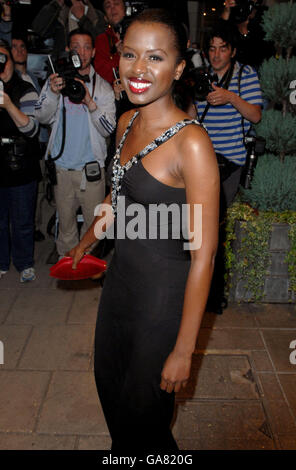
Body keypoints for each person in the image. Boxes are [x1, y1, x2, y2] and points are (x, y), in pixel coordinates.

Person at [68, 8, 220, 451]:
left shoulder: (191, 143)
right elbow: (118, 197)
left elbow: (204, 255)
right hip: (120, 286)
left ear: (178, 67)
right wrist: (87, 239)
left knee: (145, 417)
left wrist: (184, 350)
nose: (138, 69)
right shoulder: (125, 121)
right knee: (109, 389)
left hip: (163, 299)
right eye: (130, 54)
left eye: (155, 58)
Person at [195, 24, 262, 314]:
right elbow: (190, 117)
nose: (216, 54)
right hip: (201, 162)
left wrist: (230, 97)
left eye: (223, 48)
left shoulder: (245, 75)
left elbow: (256, 115)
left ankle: (213, 293)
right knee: (197, 225)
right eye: (211, 48)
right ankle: (195, 285)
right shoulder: (200, 76)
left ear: (232, 51)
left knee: (215, 227)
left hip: (231, 163)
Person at [35, 28, 116, 259]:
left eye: (86, 47)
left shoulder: (103, 88)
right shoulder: (56, 82)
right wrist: (51, 93)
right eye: (76, 46)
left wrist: (89, 101)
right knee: (66, 225)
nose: (81, 52)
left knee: (92, 227)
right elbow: (40, 116)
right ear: (69, 50)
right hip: (62, 169)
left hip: (91, 170)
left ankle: (86, 267)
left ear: (93, 52)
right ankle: (66, 264)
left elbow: (108, 129)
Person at [0, 39, 41, 282]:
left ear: (12, 62)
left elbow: (32, 128)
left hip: (21, 166)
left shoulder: (25, 89)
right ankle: (2, 261)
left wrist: (7, 104)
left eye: (3, 57)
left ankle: (25, 262)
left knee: (23, 221)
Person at [11, 34, 49, 242]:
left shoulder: (34, 78)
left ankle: (35, 225)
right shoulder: (9, 79)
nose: (19, 50)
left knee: (39, 189)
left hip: (39, 141)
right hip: (19, 145)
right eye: (14, 47)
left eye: (22, 47)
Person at [32, 0, 106, 58]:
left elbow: (103, 46)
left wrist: (82, 19)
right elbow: (38, 29)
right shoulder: (60, 14)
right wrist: (56, 4)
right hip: (63, 69)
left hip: (90, 70)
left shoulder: (97, 16)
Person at [219, 0, 273, 69]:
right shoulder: (234, 15)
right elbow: (219, 36)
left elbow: (264, 50)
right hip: (234, 68)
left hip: (258, 69)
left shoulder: (264, 17)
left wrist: (245, 30)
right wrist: (226, 11)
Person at [93, 0, 126, 85]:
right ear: (105, 17)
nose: (113, 8)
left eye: (116, 3)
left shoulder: (140, 33)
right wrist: (118, 56)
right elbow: (104, 75)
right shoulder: (101, 41)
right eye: (108, 6)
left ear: (125, 10)